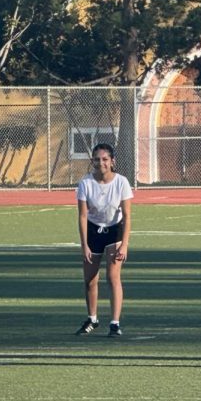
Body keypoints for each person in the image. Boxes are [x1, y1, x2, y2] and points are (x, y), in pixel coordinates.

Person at [75, 143, 133, 338]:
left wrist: (124, 244)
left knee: (113, 276)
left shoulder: (121, 182)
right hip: (93, 231)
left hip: (114, 231)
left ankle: (115, 323)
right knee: (90, 280)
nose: (101, 163)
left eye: (105, 159)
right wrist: (84, 245)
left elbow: (126, 216)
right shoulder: (85, 183)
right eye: (98, 159)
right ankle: (92, 318)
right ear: (92, 161)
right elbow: (83, 216)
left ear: (112, 161)